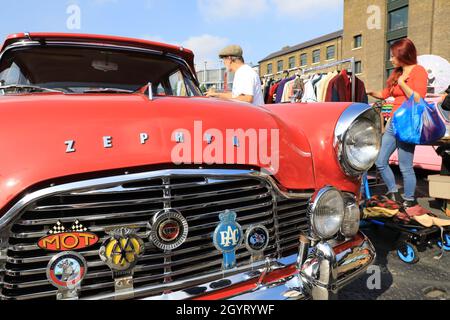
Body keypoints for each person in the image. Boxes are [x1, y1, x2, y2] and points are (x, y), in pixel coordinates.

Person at [367, 38, 428, 210]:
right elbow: (386, 93)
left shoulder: (418, 71)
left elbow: (418, 98)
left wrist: (403, 83)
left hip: (407, 123)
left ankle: (409, 198)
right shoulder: (397, 73)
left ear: (404, 54)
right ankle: (393, 191)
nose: (391, 59)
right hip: (393, 122)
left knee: (405, 166)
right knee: (380, 161)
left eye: (393, 56)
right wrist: (371, 92)